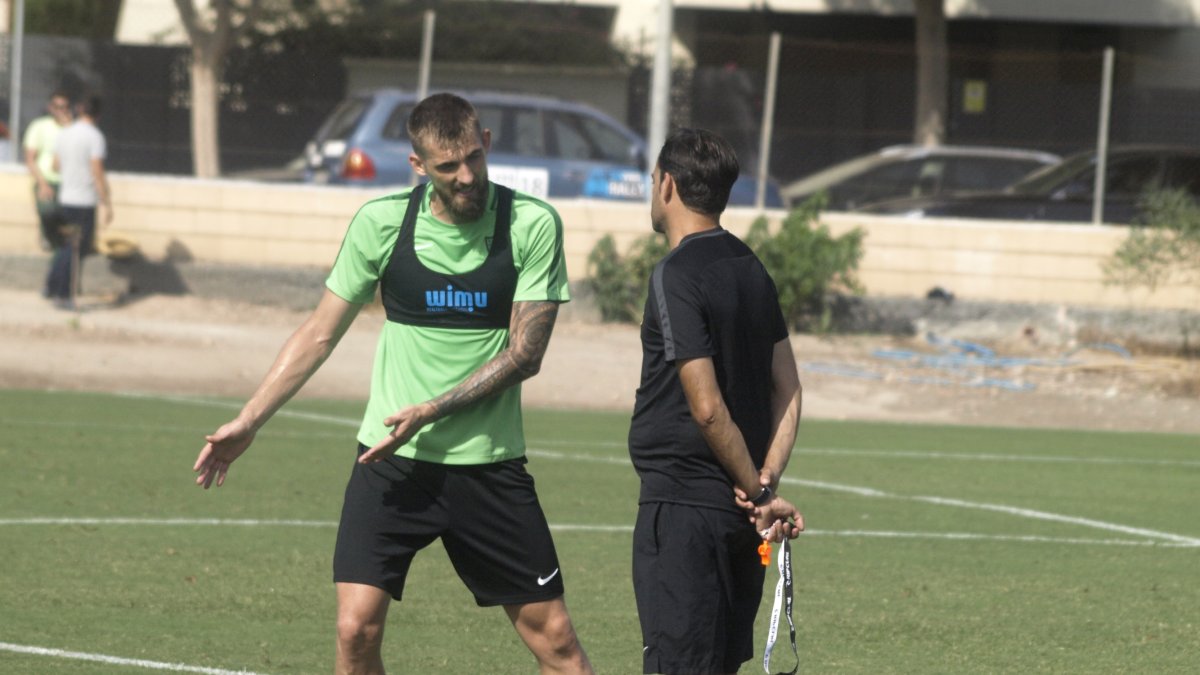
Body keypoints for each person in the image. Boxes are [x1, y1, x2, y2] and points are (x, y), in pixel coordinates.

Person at [192, 92, 593, 675]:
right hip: (390, 462)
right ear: (417, 166)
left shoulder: (530, 224)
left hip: (488, 466)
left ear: (486, 143)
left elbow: (525, 354)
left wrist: (428, 410)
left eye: (472, 160)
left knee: (556, 643)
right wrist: (249, 419)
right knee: (355, 631)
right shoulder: (381, 224)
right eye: (446, 167)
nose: (465, 177)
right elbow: (318, 334)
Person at [628, 128, 805, 675]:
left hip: (685, 511)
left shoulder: (677, 274)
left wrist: (757, 487)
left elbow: (705, 407)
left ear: (668, 186)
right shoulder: (751, 267)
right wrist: (764, 486)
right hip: (740, 517)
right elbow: (790, 388)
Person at [48, 95, 112, 308]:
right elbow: (97, 171)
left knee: (66, 245)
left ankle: (52, 287)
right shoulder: (95, 137)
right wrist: (106, 202)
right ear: (99, 115)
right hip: (84, 201)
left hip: (66, 198)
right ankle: (64, 295)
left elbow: (55, 165)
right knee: (76, 250)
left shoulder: (65, 133)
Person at [23, 90, 73, 254]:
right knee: (47, 210)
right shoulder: (40, 126)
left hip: (69, 181)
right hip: (46, 179)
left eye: (64, 107)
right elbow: (30, 158)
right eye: (57, 107)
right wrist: (43, 184)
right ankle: (51, 240)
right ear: (50, 108)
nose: (61, 111)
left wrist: (68, 129)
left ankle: (61, 247)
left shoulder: (73, 129)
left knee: (68, 218)